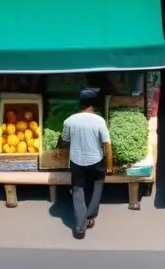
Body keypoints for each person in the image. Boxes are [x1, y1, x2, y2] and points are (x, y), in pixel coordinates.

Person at [60, 88, 112, 239]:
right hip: (96, 161)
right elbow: (107, 145)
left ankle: (79, 226)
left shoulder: (69, 121)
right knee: (97, 185)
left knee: (78, 190)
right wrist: (109, 166)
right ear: (94, 105)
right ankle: (90, 216)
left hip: (77, 161)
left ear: (80, 104)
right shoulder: (99, 121)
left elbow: (65, 140)